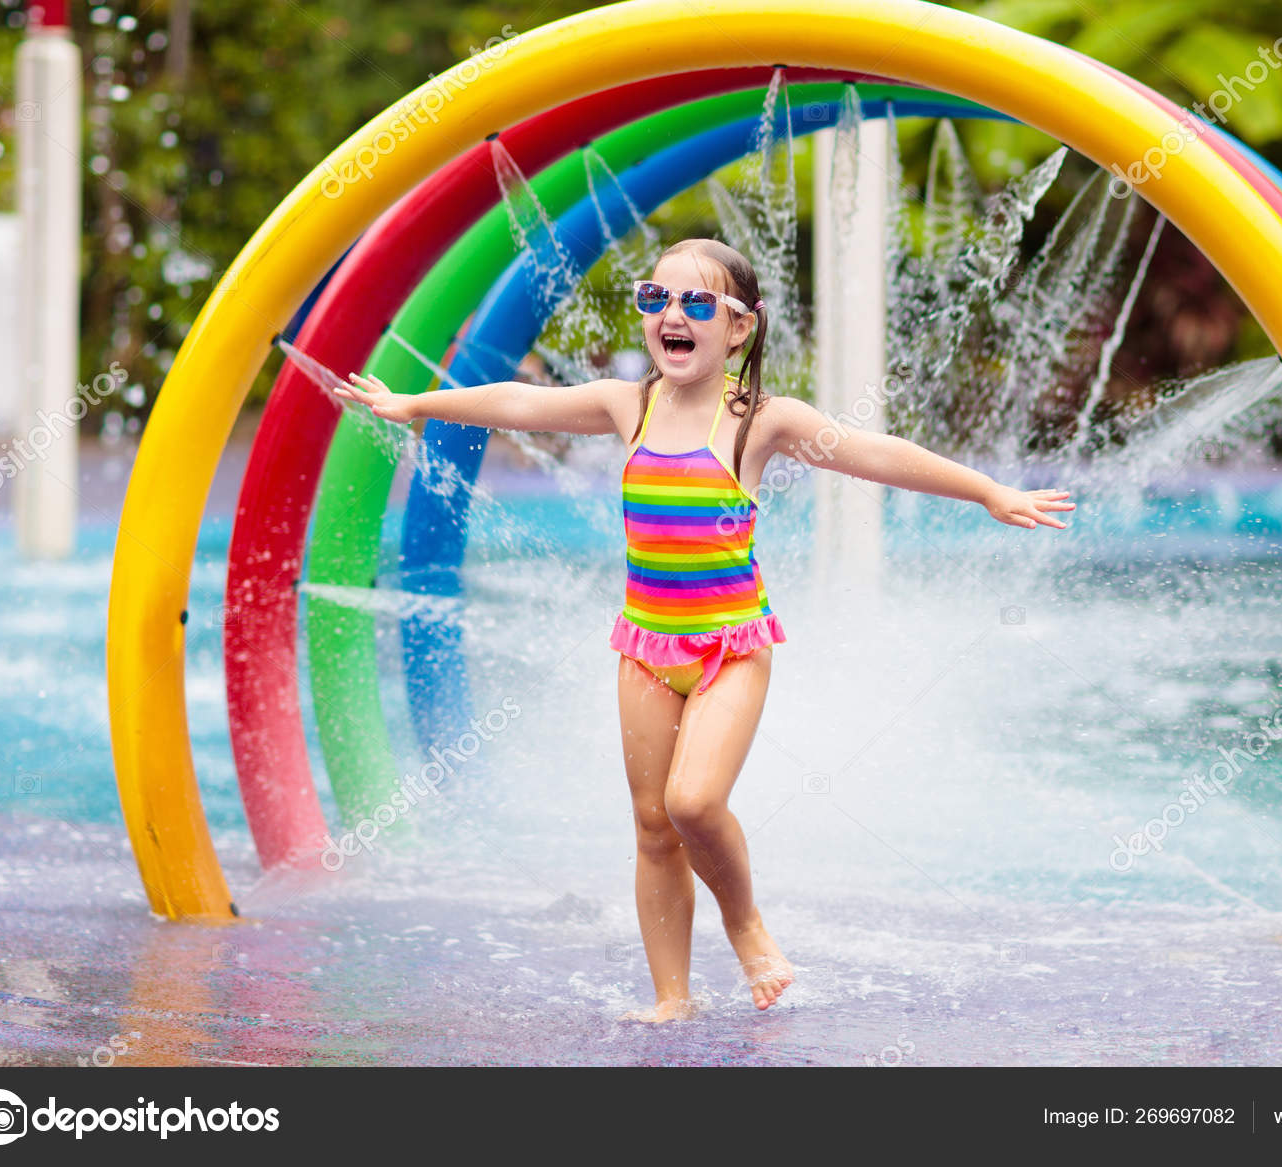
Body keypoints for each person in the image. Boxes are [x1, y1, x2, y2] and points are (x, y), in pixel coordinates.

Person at [333, 237, 1074, 1020]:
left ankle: (746, 922)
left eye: (697, 303)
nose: (672, 316)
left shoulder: (762, 422)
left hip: (731, 650)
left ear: (740, 328)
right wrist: (416, 407)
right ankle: (671, 997)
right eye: (656, 300)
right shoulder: (631, 405)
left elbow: (875, 454)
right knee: (653, 826)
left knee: (692, 801)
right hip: (645, 649)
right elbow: (519, 403)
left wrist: (988, 490)